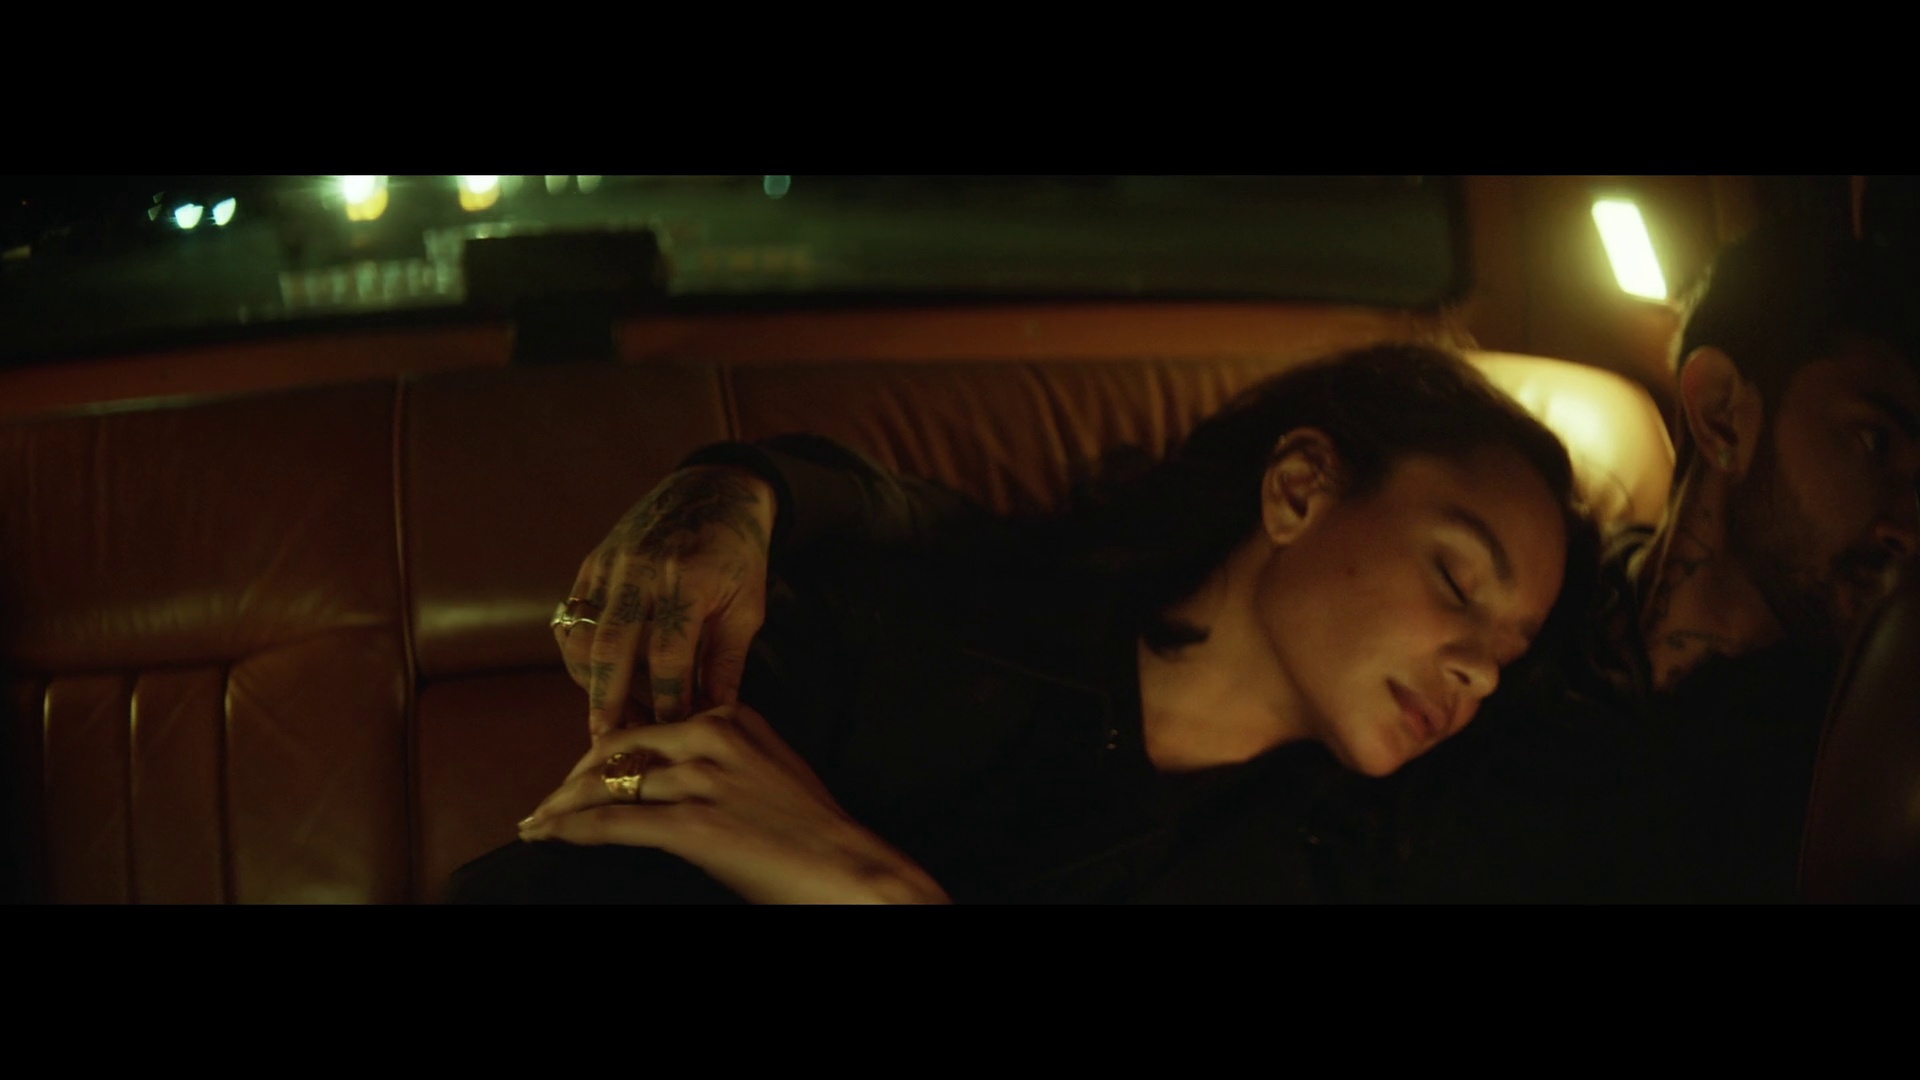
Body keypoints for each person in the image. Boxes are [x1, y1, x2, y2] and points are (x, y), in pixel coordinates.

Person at [446, 344, 1591, 903]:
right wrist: (741, 489)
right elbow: (614, 811)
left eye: (1510, 653)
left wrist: (870, 889)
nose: (1481, 673)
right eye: (1458, 581)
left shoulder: (1341, 867)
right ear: (1299, 489)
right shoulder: (925, 622)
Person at [1379, 225, 1920, 903]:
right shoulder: (1518, 611)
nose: (1909, 527)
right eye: (1874, 444)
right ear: (1722, 413)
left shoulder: (1856, 758)